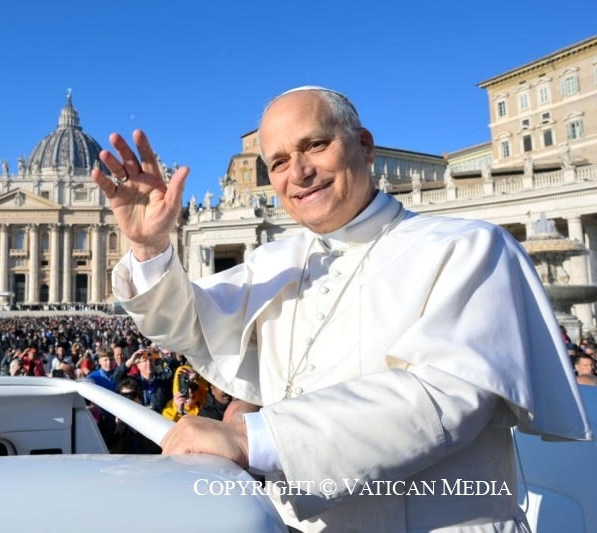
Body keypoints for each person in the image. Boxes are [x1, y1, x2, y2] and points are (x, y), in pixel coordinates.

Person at [93, 86, 592, 532]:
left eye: (315, 145)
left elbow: (443, 396)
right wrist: (151, 248)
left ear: (365, 145)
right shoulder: (275, 260)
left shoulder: (468, 247)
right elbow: (186, 325)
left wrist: (254, 438)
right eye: (280, 162)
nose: (299, 172)